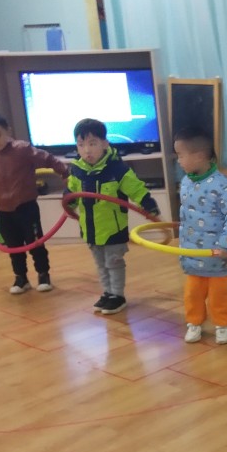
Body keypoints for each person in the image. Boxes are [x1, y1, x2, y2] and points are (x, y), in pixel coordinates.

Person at [66, 118, 160, 315]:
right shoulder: (77, 170)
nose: (87, 150)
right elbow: (71, 192)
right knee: (101, 264)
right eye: (81, 145)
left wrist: (149, 206)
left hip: (113, 229)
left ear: (105, 143)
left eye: (92, 144)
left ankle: (118, 295)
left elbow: (136, 189)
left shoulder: (117, 169)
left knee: (114, 263)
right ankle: (108, 293)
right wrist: (68, 203)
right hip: (90, 229)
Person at [0, 112, 70, 294]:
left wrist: (65, 172)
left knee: (35, 242)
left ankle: (43, 274)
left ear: (8, 131)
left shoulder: (22, 149)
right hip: (3, 210)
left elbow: (48, 159)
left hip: (26, 206)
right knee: (14, 246)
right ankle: (21, 277)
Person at [174, 126, 227, 344]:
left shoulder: (223, 186)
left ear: (198, 156)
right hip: (193, 253)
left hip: (217, 256)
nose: (178, 160)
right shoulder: (186, 182)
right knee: (192, 294)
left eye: (180, 155)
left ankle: (222, 325)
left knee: (218, 295)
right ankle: (194, 323)